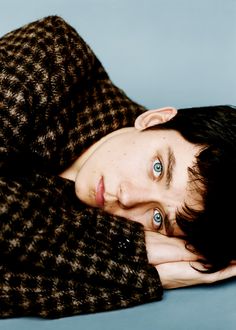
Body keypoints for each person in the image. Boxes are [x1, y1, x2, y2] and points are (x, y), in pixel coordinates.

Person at [0, 15, 236, 319]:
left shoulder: (98, 225)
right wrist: (135, 254)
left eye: (157, 217)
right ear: (155, 120)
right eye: (158, 168)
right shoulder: (54, 52)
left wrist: (156, 278)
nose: (128, 198)